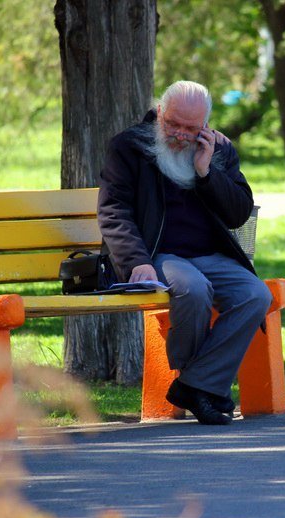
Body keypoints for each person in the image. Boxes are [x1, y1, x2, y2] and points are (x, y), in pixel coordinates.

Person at [97, 80, 273, 425]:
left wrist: (207, 173)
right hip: (158, 255)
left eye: (190, 129)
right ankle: (204, 390)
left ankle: (194, 386)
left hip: (210, 256)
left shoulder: (218, 149)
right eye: (172, 123)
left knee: (255, 294)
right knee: (192, 288)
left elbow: (239, 212)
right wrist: (137, 263)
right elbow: (113, 210)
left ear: (205, 126)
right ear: (160, 112)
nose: (179, 135)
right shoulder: (129, 146)